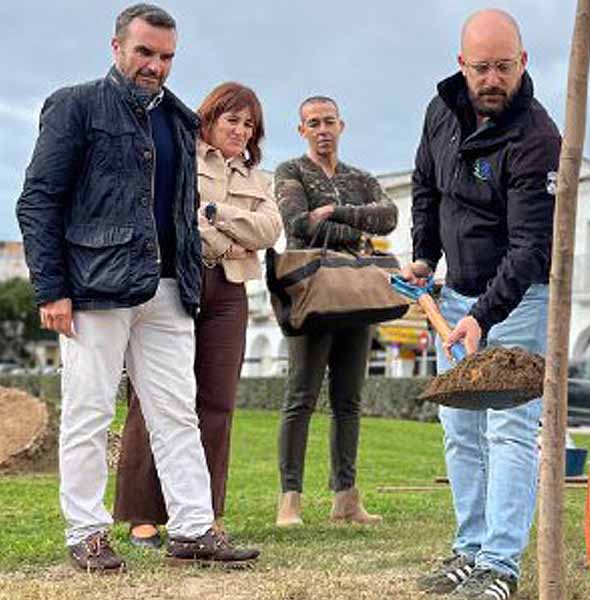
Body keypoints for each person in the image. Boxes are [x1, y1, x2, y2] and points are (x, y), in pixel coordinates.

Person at [15, 3, 258, 571]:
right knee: (88, 412)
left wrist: (192, 283)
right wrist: (51, 288)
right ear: (117, 46)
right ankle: (87, 533)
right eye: (145, 51)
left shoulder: (177, 118)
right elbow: (38, 200)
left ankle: (194, 529)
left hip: (169, 290)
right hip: (94, 289)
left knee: (177, 412)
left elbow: (180, 214)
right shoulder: (74, 106)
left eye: (166, 56)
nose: (155, 65)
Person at [402, 9, 559, 600]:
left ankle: (501, 565)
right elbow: (425, 186)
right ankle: (468, 551)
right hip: (457, 289)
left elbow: (527, 248)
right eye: (482, 68)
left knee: (511, 429)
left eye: (504, 67)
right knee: (460, 427)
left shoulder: (537, 137)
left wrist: (480, 316)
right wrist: (424, 257)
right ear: (461, 64)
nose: (493, 79)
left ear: (523, 63)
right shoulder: (439, 112)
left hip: (517, 297)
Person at [113, 82, 283, 548]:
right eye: (233, 120)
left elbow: (270, 229)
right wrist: (231, 236)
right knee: (155, 397)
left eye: (249, 124)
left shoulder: (256, 177)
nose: (241, 131)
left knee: (217, 403)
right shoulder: (181, 157)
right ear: (209, 118)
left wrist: (215, 212)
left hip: (229, 291)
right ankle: (142, 515)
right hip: (177, 282)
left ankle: (202, 516)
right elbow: (178, 219)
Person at [273, 95, 397, 527]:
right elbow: (297, 223)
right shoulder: (291, 172)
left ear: (341, 126)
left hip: (356, 292)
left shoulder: (360, 178)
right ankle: (290, 498)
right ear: (301, 129)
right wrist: (355, 225)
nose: (322, 129)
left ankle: (345, 496)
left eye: (328, 121)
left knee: (349, 399)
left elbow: (390, 217)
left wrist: (336, 211)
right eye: (313, 123)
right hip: (312, 292)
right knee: (301, 396)